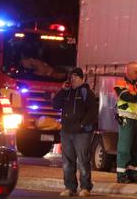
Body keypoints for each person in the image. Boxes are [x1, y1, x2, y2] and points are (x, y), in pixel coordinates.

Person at [52, 68, 97, 197]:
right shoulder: (66, 92)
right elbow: (55, 105)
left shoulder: (86, 92)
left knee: (83, 161)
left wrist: (82, 124)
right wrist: (62, 90)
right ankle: (69, 187)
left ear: (82, 78)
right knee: (67, 162)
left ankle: (85, 187)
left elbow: (92, 111)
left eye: (76, 77)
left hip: (82, 133)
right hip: (66, 131)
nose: (73, 79)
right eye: (71, 77)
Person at [114, 61, 137, 184]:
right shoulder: (120, 83)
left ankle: (132, 173)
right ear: (127, 71)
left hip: (136, 119)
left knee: (136, 147)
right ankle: (121, 175)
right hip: (126, 118)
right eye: (136, 71)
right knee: (124, 147)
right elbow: (126, 97)